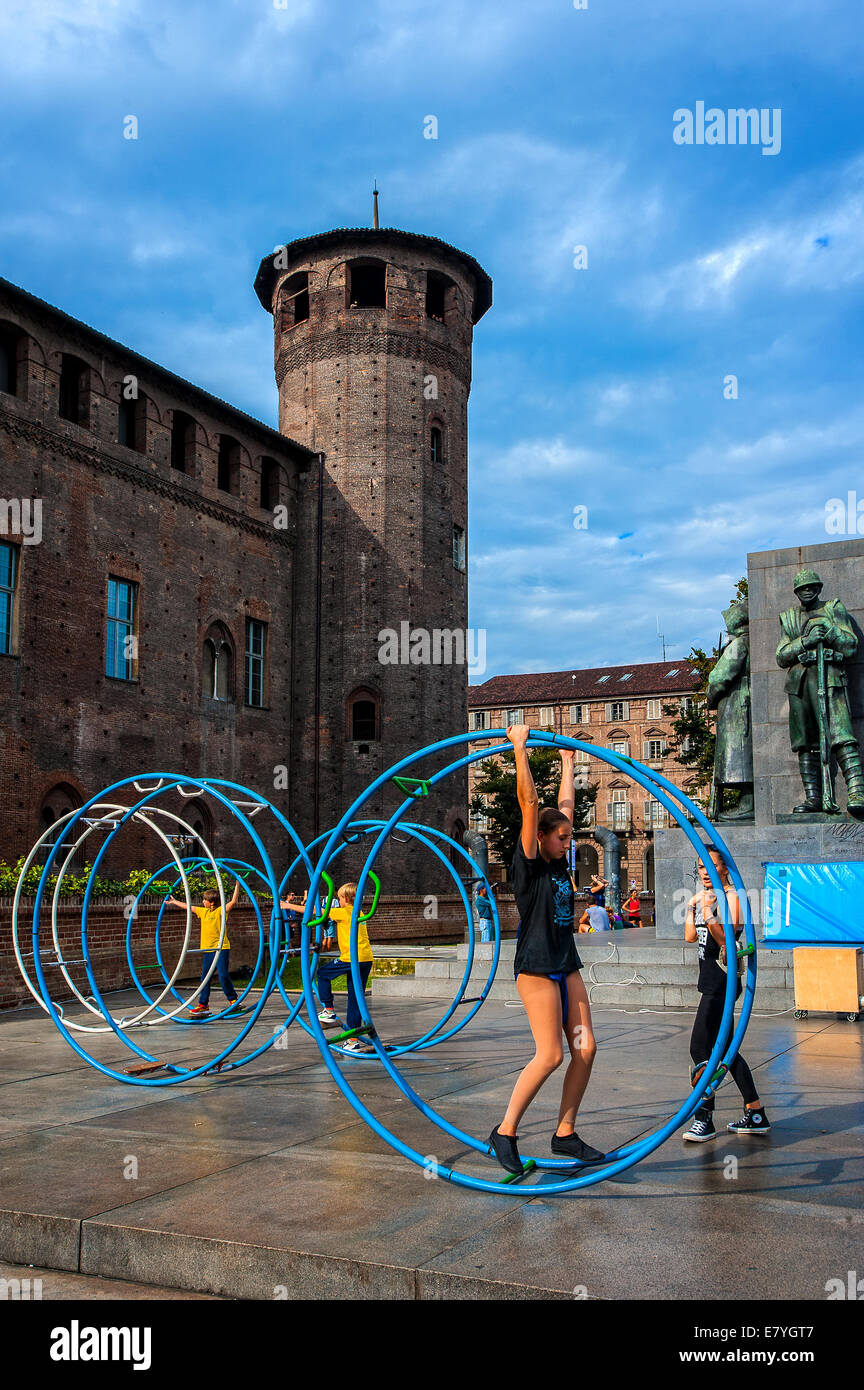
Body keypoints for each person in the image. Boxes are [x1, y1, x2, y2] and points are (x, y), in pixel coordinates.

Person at [488, 726, 605, 1174]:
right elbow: (531, 806)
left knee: (586, 1049)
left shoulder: (558, 859)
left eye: (568, 837)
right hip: (537, 968)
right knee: (550, 1054)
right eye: (561, 837)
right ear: (541, 838)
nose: (567, 842)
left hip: (566, 963)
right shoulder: (530, 863)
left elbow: (563, 808)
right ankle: (506, 1131)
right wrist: (519, 748)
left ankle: (564, 1134)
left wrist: (569, 764)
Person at [683, 846, 770, 1141]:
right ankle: (755, 1111)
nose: (704, 872)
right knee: (727, 1051)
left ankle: (704, 1118)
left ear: (723, 869)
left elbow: (728, 940)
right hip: (709, 978)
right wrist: (693, 908)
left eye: (709, 866)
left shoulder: (732, 896)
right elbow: (689, 937)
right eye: (700, 867)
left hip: (721, 983)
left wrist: (708, 912)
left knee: (699, 1048)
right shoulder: (708, 897)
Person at [314, 882, 375, 1053]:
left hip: (350, 959)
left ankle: (328, 1009)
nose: (338, 901)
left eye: (339, 898)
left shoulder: (343, 912)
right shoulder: (358, 912)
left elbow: (316, 912)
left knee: (322, 973)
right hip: (365, 958)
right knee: (355, 999)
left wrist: (286, 905)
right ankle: (352, 1041)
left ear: (346, 899)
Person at [165, 879, 241, 1016]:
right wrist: (174, 902)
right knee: (205, 977)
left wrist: (237, 885)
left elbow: (233, 902)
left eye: (205, 900)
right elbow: (188, 906)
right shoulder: (202, 912)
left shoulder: (220, 912)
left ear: (211, 902)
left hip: (221, 948)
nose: (202, 902)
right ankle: (203, 1005)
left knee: (223, 975)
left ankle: (233, 1000)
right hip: (208, 949)